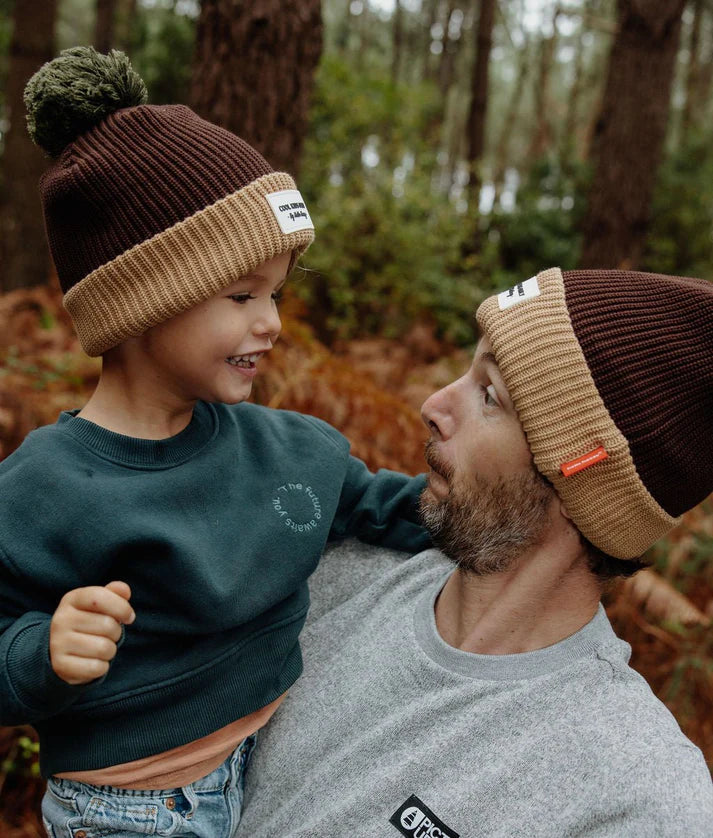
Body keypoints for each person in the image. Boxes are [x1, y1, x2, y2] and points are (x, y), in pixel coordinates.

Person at [0, 47, 429, 836]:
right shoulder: (41, 489)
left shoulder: (284, 449)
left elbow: (391, 507)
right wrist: (43, 652)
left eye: (274, 292)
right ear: (140, 304)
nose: (269, 322)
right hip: (126, 807)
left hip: (271, 768)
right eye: (240, 295)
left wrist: (517, 493)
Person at [238, 266, 713, 837]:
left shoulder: (637, 796)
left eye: (490, 395)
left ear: (581, 472)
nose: (434, 406)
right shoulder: (331, 574)